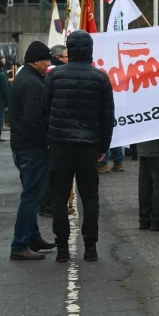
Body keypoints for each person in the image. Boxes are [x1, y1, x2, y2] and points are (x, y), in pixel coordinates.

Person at [43, 30, 115, 264]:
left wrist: (50, 137)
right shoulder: (100, 77)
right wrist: (103, 145)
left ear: (69, 51)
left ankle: (62, 248)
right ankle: (90, 247)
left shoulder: (54, 76)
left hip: (61, 144)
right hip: (89, 145)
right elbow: (107, 116)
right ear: (90, 51)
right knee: (90, 196)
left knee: (59, 196)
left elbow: (45, 111)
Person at [9, 41, 54, 261]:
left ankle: (33, 237)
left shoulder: (23, 78)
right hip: (32, 147)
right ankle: (19, 244)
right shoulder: (33, 84)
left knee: (32, 192)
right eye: (46, 59)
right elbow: (33, 118)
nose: (48, 63)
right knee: (31, 196)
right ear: (36, 60)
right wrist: (46, 140)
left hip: (21, 145)